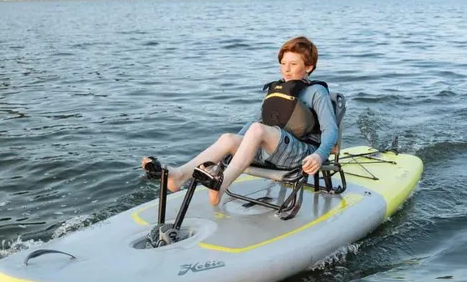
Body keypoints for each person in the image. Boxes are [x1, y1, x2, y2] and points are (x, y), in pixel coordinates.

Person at [142, 35, 339, 206]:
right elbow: (253, 125)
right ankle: (179, 176)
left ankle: (220, 185)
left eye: (293, 64)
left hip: (302, 155)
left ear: (309, 66)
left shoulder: (317, 92)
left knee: (256, 129)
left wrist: (319, 156)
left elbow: (331, 131)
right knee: (229, 138)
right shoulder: (278, 90)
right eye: (283, 64)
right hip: (272, 152)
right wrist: (230, 151)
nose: (286, 70)